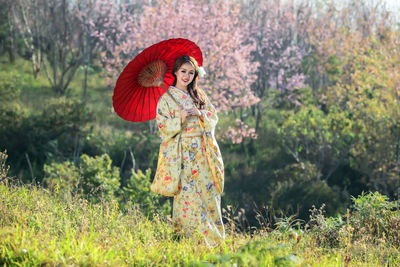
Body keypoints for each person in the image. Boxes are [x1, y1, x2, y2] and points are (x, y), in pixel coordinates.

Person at [151, 55, 225, 248]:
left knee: (208, 195)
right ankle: (188, 243)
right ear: (175, 72)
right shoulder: (166, 99)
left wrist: (200, 114)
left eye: (191, 72)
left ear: (195, 74)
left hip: (203, 153)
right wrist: (181, 119)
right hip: (182, 155)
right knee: (188, 197)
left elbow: (213, 116)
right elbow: (162, 126)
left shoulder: (199, 95)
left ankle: (215, 243)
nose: (187, 76)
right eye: (183, 71)